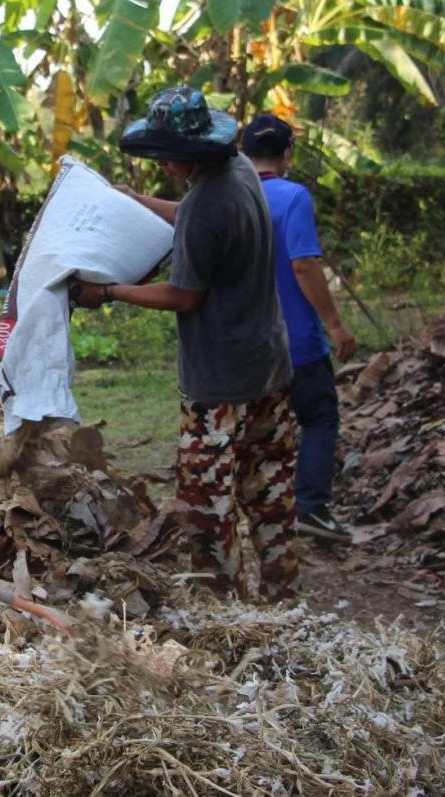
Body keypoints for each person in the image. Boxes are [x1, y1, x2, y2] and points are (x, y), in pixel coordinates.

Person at [75, 86, 298, 602]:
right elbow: (191, 215)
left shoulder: (206, 204)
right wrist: (136, 202)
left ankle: (222, 608)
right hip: (269, 364)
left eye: (167, 155)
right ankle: (283, 596)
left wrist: (107, 292)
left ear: (190, 153)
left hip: (219, 381)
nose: (162, 164)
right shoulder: (238, 169)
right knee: (269, 491)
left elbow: (184, 295)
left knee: (206, 502)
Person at [241, 114, 356, 542]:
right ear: (288, 153)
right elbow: (304, 264)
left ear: (242, 153)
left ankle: (256, 510)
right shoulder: (293, 197)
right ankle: (311, 506)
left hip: (246, 340)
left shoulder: (230, 197)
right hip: (297, 339)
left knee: (258, 427)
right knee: (319, 417)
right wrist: (336, 325)